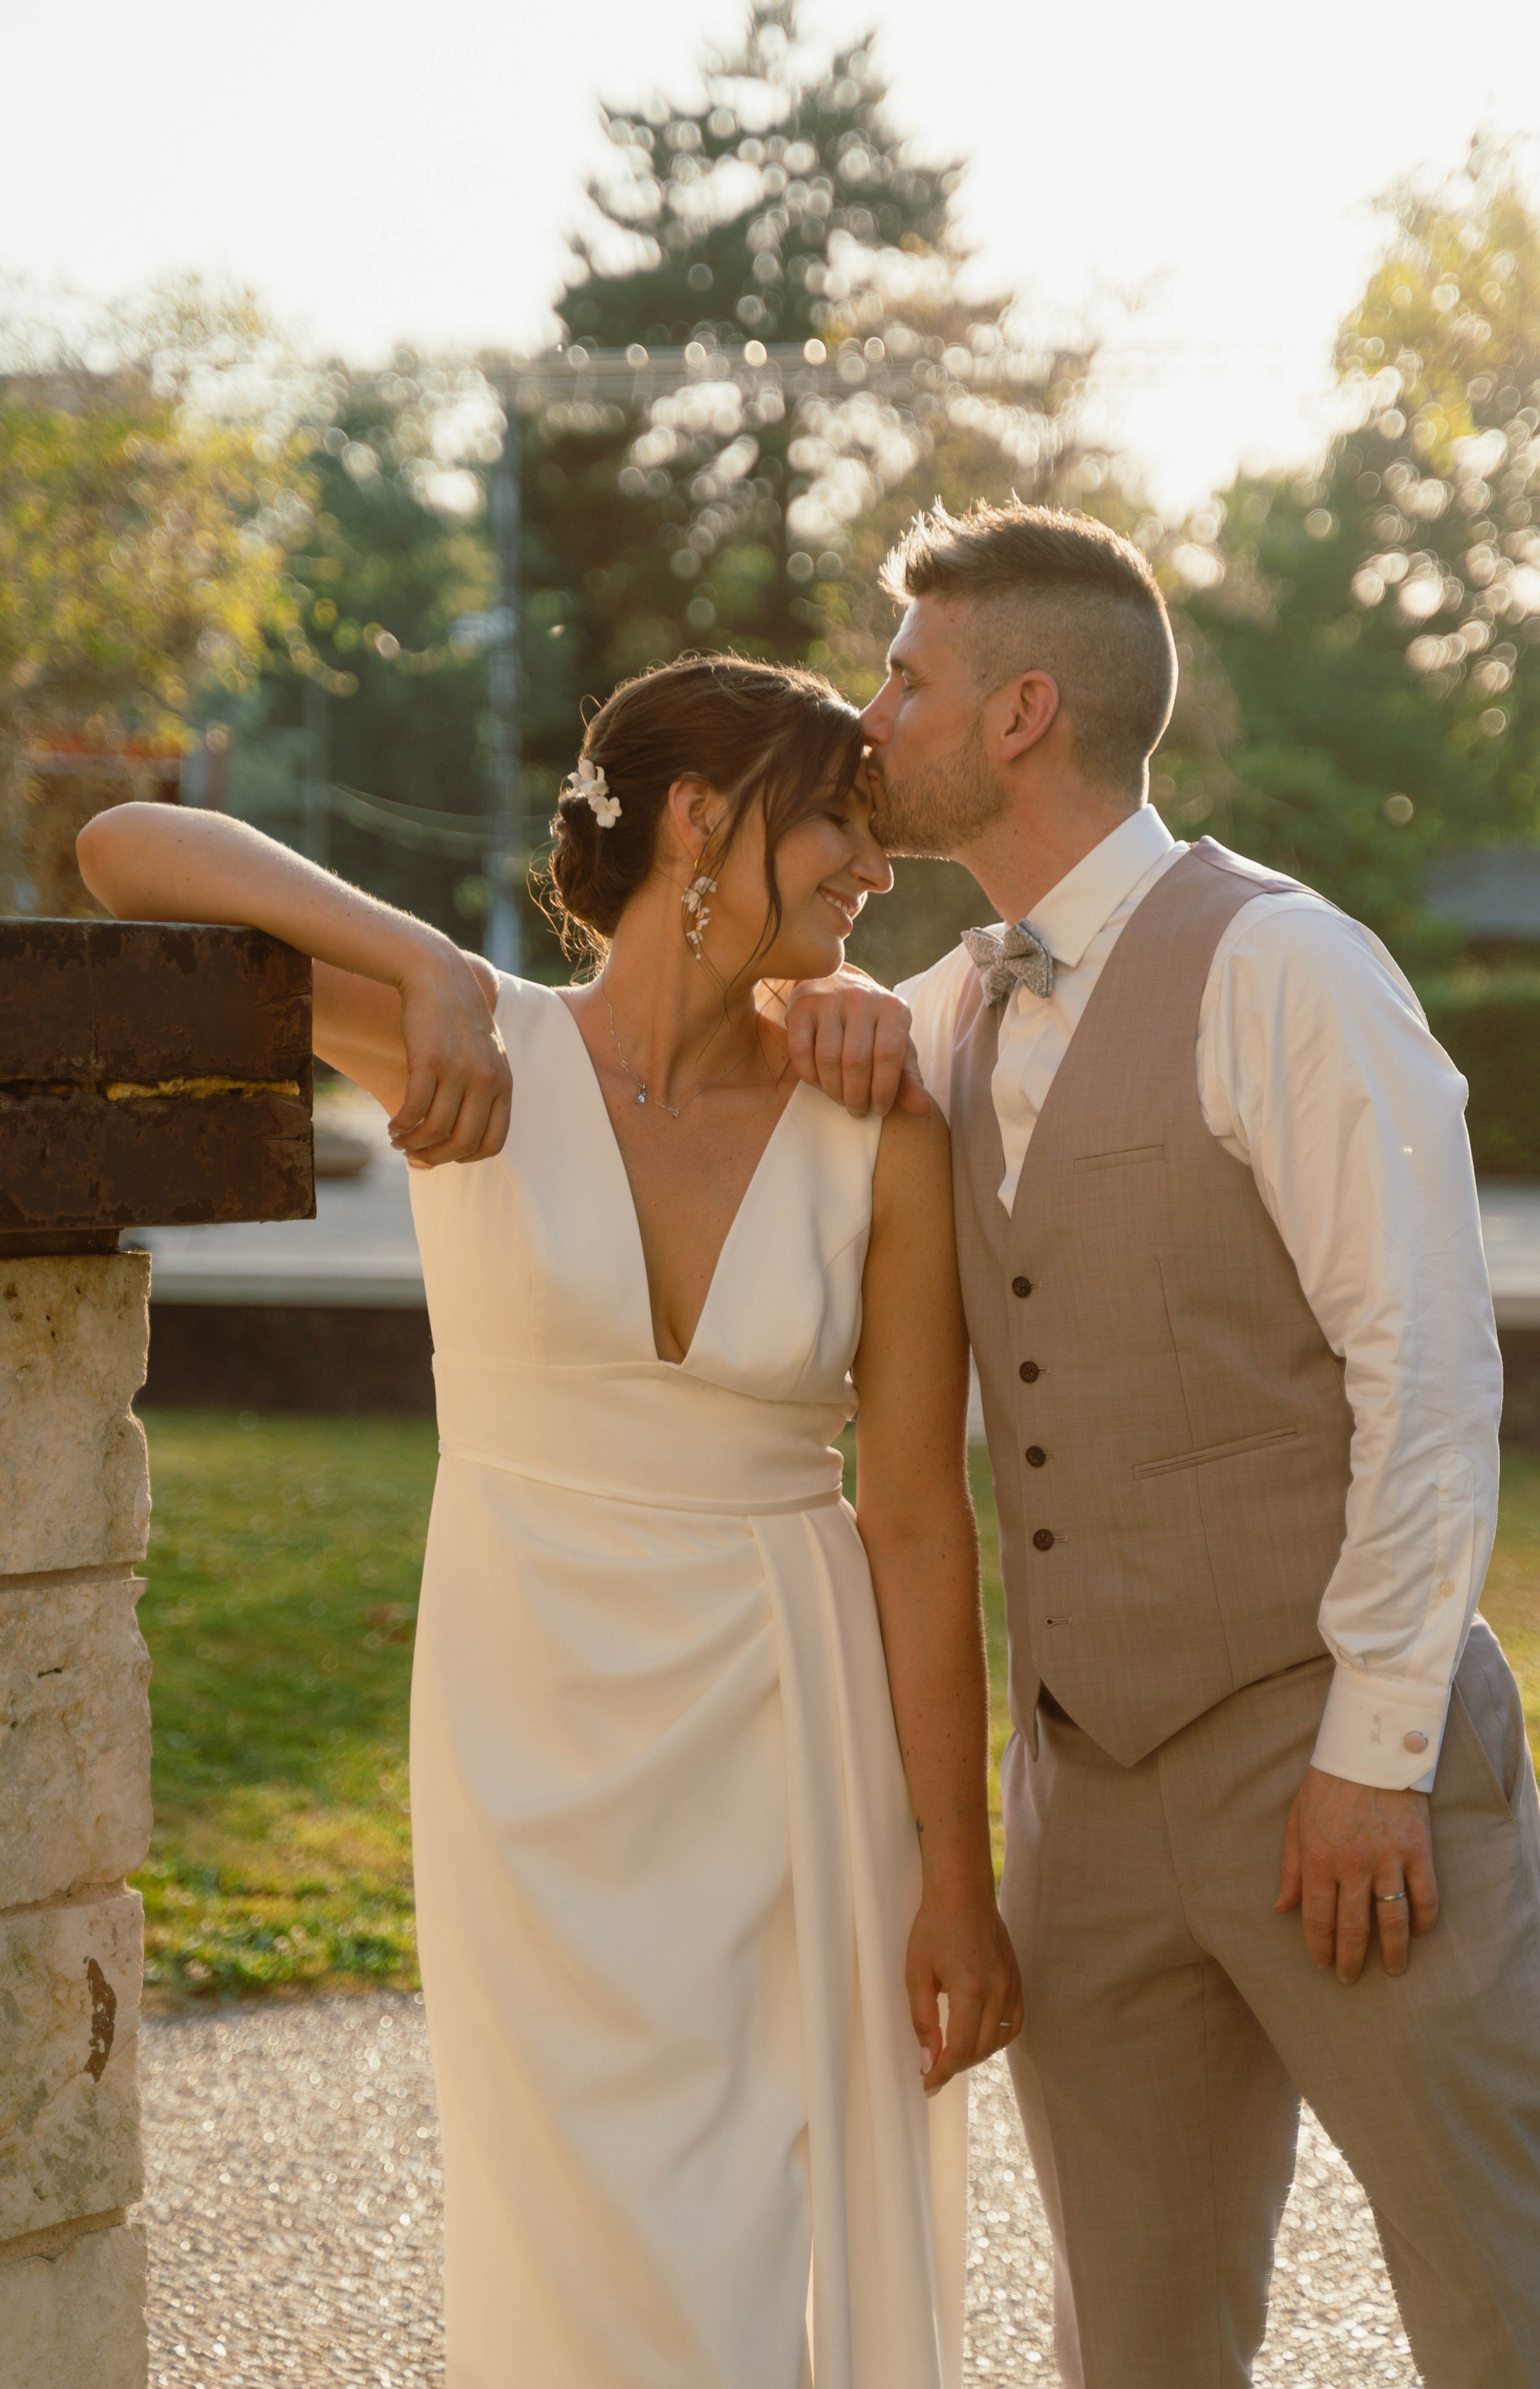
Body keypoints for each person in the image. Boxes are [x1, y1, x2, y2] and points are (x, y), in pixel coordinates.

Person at [77, 653, 1019, 2389]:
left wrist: (957, 1885)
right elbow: (126, 847)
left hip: (789, 1729)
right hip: (530, 1739)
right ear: (698, 821)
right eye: (840, 822)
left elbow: (915, 1521)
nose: (872, 871)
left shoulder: (875, 1116)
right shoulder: (467, 1044)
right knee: (569, 2233)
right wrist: (421, 962)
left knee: (776, 2241)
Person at [784, 503, 1540, 2388]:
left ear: (1020, 716)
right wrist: (823, 1019)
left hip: (1336, 1772)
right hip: (1081, 1806)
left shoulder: (1290, 971)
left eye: (904, 677)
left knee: (1511, 2322)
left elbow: (1430, 1371)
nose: (873, 716)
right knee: (1139, 2353)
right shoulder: (947, 1008)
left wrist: (1376, 1749)